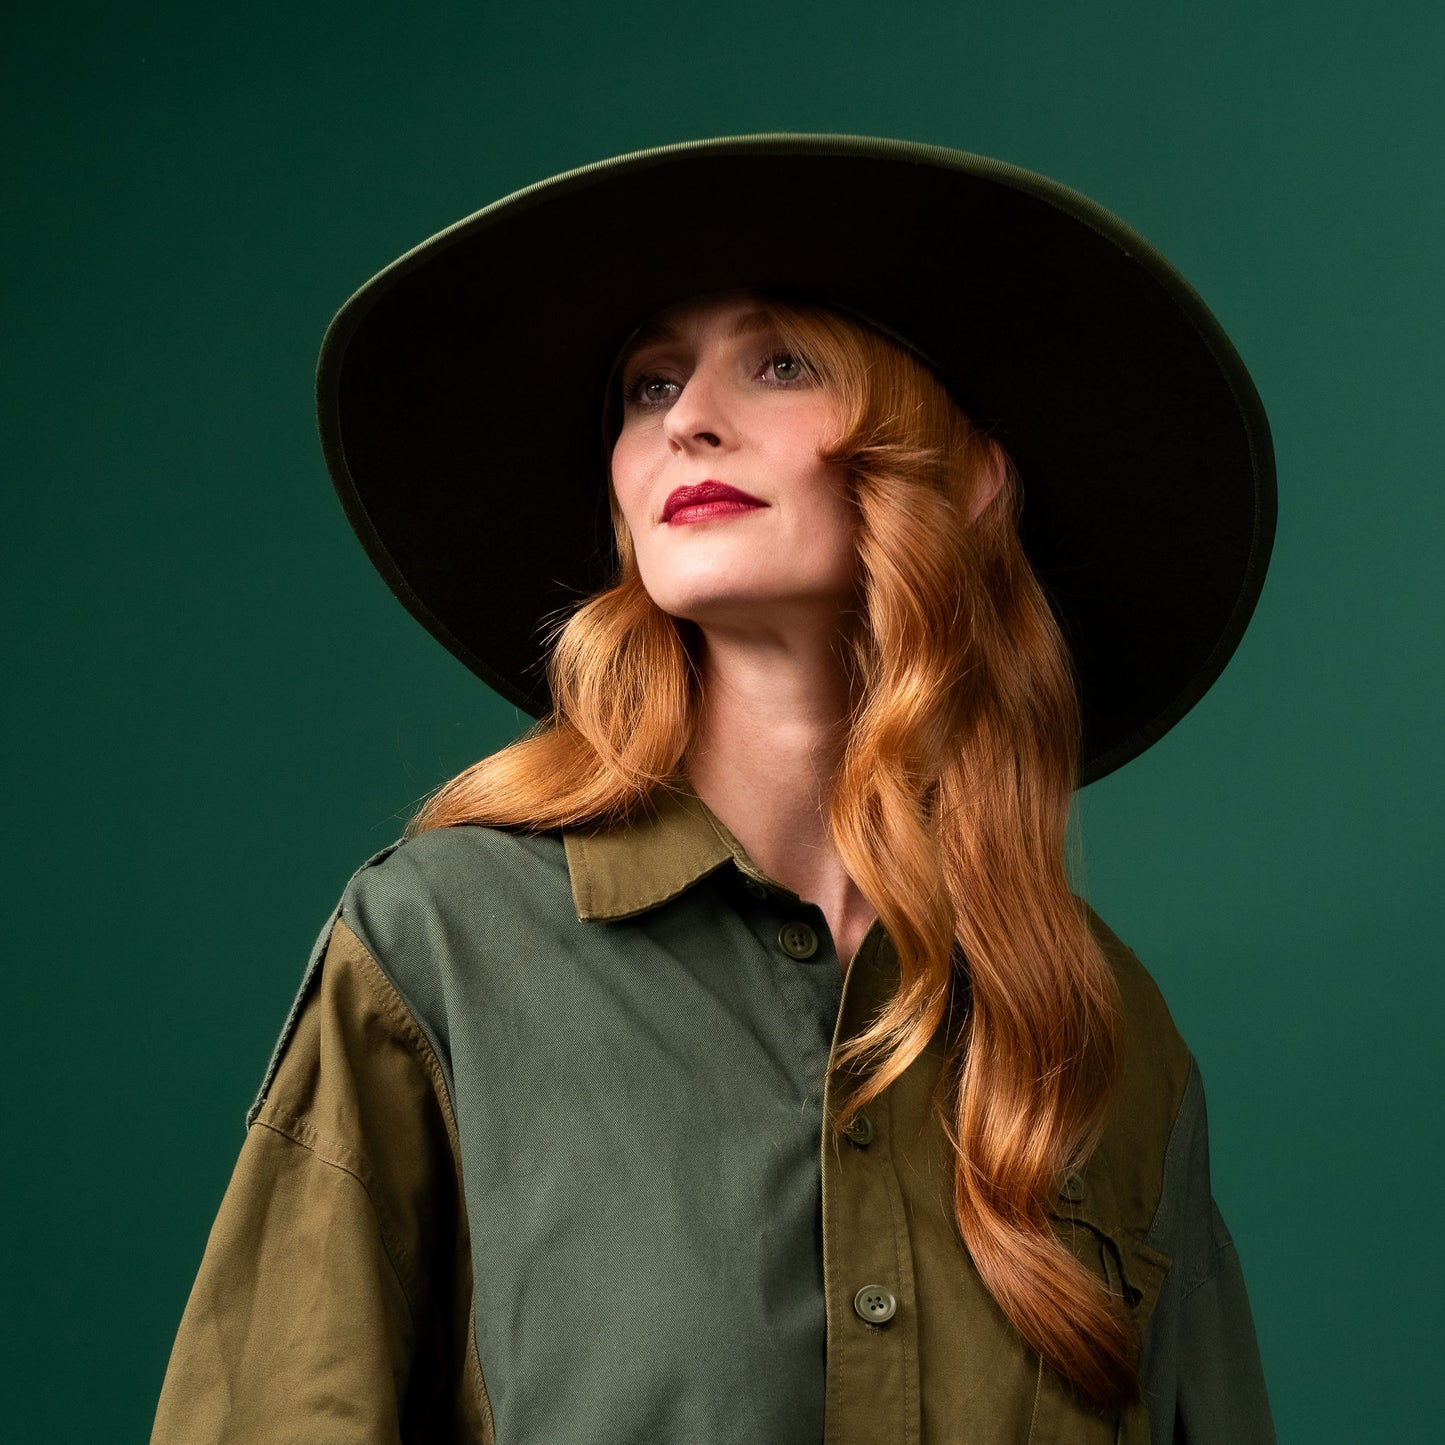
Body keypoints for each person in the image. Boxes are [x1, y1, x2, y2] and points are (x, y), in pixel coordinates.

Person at [152, 136, 1277, 1444]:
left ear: (967, 474)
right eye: (647, 384)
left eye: (781, 363)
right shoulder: (442, 949)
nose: (685, 417)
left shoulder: (1106, 1038)